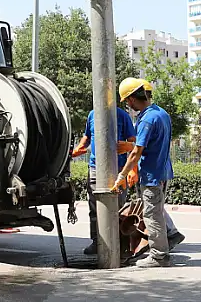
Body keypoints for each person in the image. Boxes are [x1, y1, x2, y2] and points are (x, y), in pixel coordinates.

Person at [114, 77, 184, 267]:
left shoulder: (146, 120)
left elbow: (137, 152)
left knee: (152, 216)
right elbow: (152, 143)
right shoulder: (162, 113)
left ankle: (159, 256)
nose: (128, 105)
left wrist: (122, 175)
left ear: (131, 99)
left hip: (152, 176)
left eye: (127, 101)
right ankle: (166, 244)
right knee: (158, 213)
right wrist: (130, 145)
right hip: (163, 172)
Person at [71, 105, 136, 255]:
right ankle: (97, 242)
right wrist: (77, 150)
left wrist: (132, 169)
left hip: (118, 168)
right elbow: (87, 136)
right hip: (95, 168)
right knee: (94, 208)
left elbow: (132, 142)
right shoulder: (92, 114)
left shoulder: (122, 115)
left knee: (117, 207)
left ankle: (118, 244)